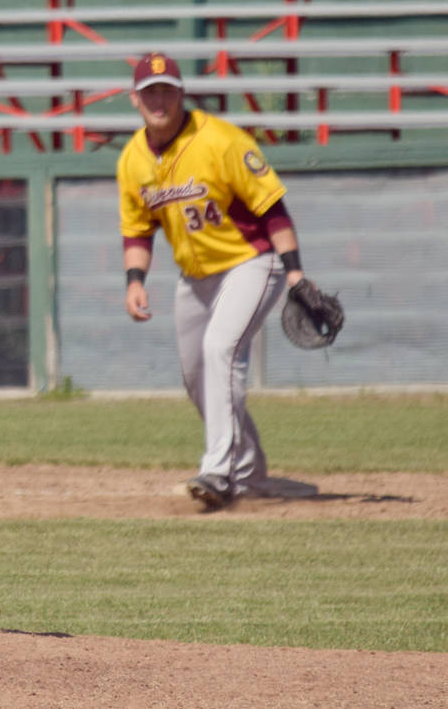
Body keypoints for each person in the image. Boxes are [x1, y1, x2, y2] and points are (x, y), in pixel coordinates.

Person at [116, 51, 316, 510]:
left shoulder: (222, 140)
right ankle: (247, 469)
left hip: (252, 262)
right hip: (196, 276)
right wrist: (134, 280)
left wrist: (296, 272)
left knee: (220, 350)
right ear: (135, 99)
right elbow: (137, 230)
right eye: (150, 92)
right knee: (197, 376)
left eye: (167, 89)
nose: (159, 99)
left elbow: (273, 209)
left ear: (182, 93)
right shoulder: (131, 160)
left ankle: (219, 473)